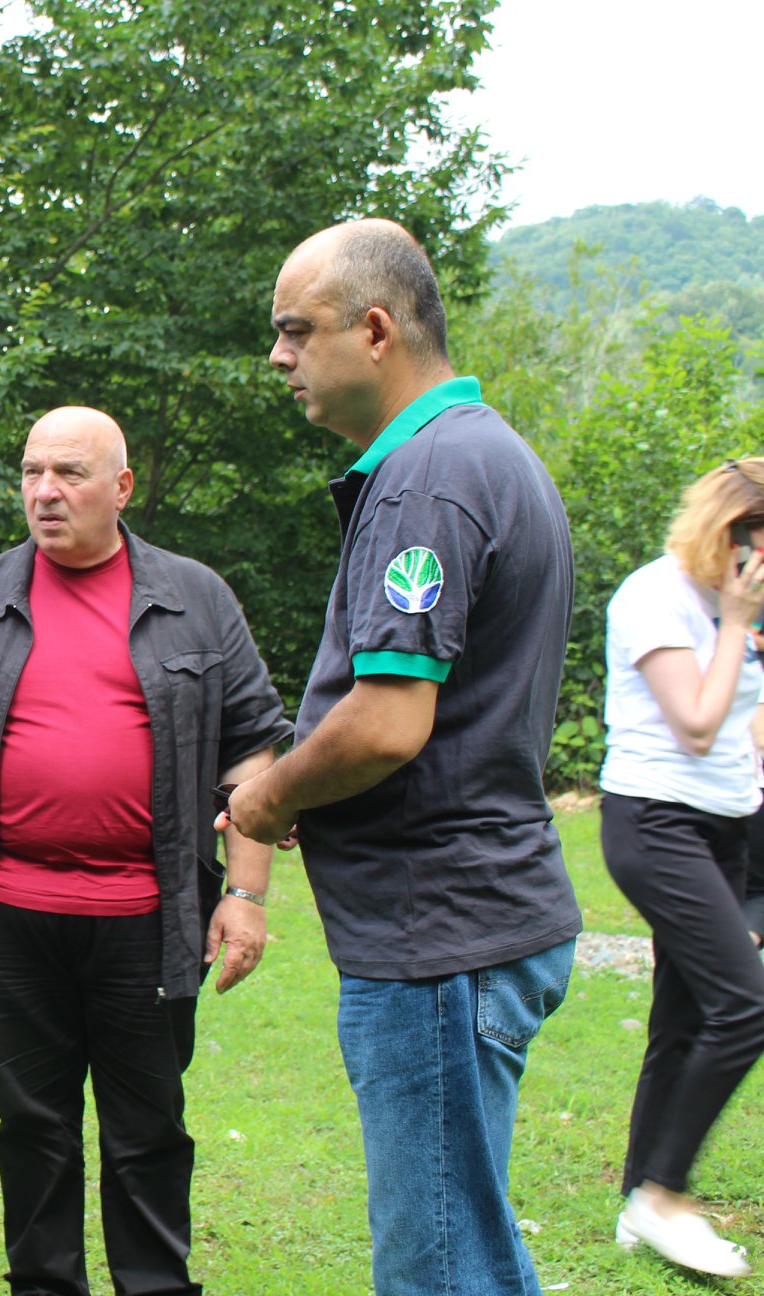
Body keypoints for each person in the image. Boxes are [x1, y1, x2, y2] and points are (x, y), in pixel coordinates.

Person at [222, 219, 582, 1296]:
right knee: (468, 1240)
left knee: (440, 1265)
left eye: (296, 330)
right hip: (466, 925)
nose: (278, 357)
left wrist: (268, 798)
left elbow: (386, 723)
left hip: (441, 936)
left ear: (375, 330)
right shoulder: (476, 454)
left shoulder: (428, 478)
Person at [0, 406, 291, 1296]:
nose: (44, 491)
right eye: (31, 472)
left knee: (148, 1131)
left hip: (149, 919)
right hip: (13, 918)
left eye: (69, 473)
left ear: (121, 487)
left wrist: (245, 894)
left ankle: (154, 1286)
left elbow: (252, 745)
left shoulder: (196, 599)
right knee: (31, 1128)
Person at [597, 460, 764, 1277]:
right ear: (727, 534)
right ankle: (665, 1196)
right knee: (747, 1005)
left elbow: (743, 724)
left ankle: (639, 1205)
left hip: (728, 826)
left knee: (685, 1018)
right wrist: (736, 624)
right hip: (656, 822)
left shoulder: (737, 606)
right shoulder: (656, 597)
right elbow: (696, 723)